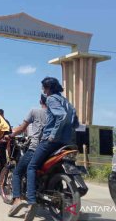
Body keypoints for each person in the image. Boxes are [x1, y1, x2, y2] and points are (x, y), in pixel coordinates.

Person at [24, 77, 78, 221]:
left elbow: (61, 116)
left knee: (31, 166)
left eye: (43, 88)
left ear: (47, 88)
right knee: (52, 168)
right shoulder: (66, 101)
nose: (43, 90)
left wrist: (53, 134)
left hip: (51, 141)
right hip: (66, 141)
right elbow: (74, 120)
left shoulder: (51, 99)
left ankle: (31, 201)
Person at [7, 94, 47, 217]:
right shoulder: (56, 114)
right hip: (52, 150)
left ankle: (18, 199)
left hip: (36, 148)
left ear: (41, 100)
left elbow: (21, 128)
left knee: (18, 172)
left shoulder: (34, 111)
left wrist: (10, 135)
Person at [0, 109, 12, 173]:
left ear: (2, 114)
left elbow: (9, 133)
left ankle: (4, 171)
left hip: (3, 143)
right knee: (1, 159)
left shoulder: (5, 122)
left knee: (3, 159)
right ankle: (2, 171)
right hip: (0, 142)